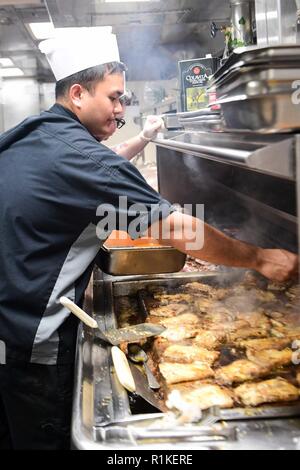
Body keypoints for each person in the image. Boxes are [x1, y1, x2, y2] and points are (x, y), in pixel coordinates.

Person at [0, 28, 297, 450]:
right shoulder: (82, 157)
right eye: (114, 97)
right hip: (33, 344)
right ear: (79, 94)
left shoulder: (35, 133)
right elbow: (177, 229)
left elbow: (91, 173)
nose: (121, 111)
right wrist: (261, 258)